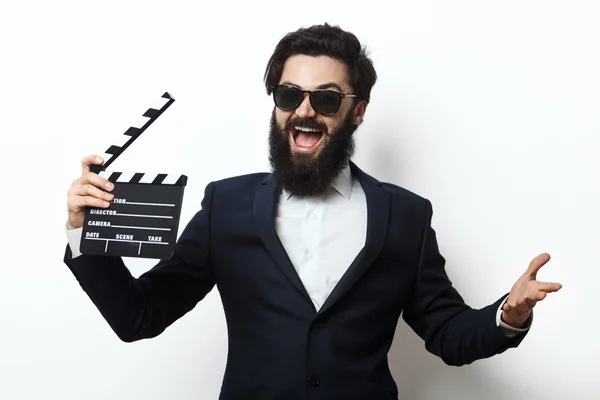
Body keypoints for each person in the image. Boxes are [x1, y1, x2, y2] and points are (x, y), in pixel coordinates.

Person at [63, 23, 562, 400]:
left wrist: (508, 315)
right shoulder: (226, 206)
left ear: (357, 109)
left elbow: (448, 334)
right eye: (288, 95)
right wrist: (83, 236)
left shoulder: (404, 216)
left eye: (325, 98)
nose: (304, 111)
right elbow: (139, 315)